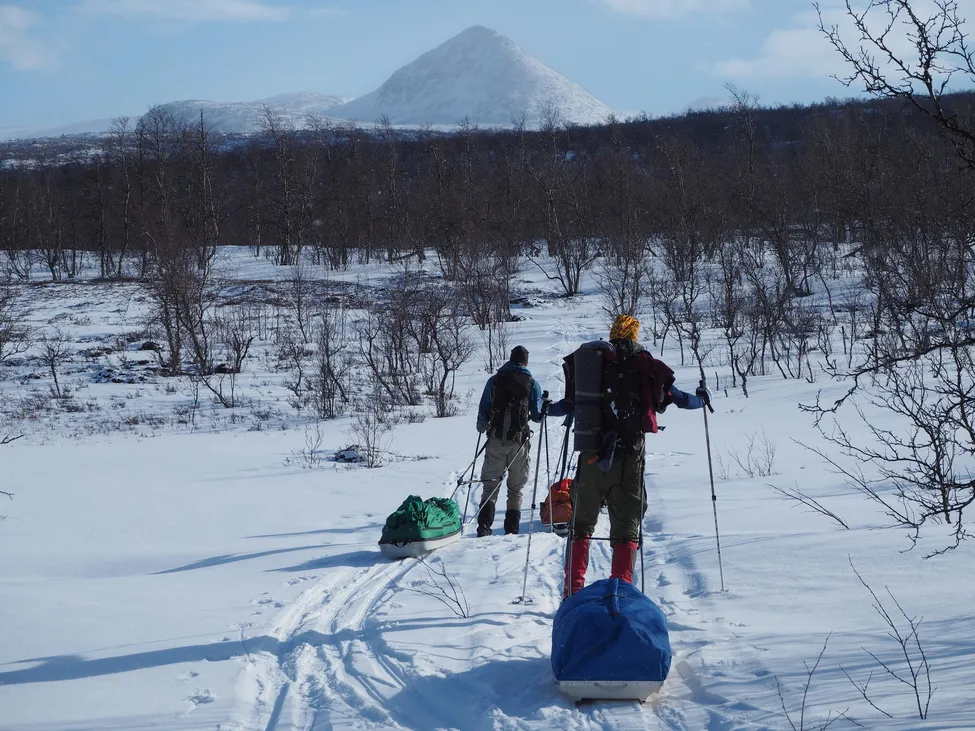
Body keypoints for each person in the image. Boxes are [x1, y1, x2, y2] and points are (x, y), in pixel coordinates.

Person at [548, 315, 711, 597]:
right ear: (634, 335)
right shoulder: (645, 367)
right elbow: (679, 397)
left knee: (581, 526)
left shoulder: (593, 366)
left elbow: (568, 404)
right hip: (629, 461)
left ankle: (572, 592)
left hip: (592, 457)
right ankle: (620, 593)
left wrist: (545, 408)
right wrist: (701, 399)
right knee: (626, 529)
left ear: (612, 334)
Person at [475, 345, 548, 537]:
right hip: (519, 443)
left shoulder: (495, 380)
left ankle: (484, 526)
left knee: (491, 484)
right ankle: (512, 529)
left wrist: (482, 427)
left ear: (510, 358)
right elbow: (538, 415)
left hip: (496, 439)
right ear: (525, 361)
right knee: (515, 488)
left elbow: (484, 407)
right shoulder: (532, 383)